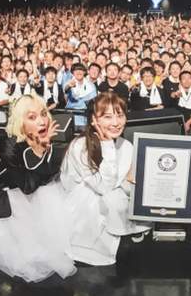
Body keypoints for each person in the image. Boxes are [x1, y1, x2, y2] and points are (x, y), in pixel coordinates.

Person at [0, 94, 76, 282]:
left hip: (14, 184)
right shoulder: (9, 149)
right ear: (20, 122)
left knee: (50, 189)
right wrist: (40, 151)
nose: (42, 121)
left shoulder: (37, 138)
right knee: (43, 194)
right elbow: (29, 187)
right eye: (32, 117)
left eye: (43, 114)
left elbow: (45, 173)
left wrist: (43, 149)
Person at [60, 93, 150, 265]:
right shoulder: (80, 146)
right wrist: (107, 145)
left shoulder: (126, 145)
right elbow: (104, 187)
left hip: (112, 202)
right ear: (94, 119)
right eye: (107, 117)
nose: (116, 123)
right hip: (82, 205)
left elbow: (125, 185)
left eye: (120, 115)